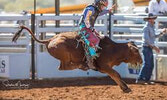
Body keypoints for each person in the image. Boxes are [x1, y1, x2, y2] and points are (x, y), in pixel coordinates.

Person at [78, 0, 116, 69]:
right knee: (95, 39)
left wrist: (108, 10)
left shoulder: (95, 9)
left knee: (98, 37)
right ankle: (89, 58)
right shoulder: (90, 9)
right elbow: (86, 20)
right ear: (98, 4)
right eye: (103, 6)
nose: (103, 8)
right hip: (84, 27)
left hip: (88, 27)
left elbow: (100, 13)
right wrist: (92, 29)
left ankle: (91, 55)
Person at [136, 13, 167, 84]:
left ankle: (146, 79)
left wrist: (161, 33)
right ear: (150, 19)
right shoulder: (146, 28)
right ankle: (140, 78)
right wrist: (154, 47)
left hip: (148, 48)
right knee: (147, 64)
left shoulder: (151, 27)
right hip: (146, 47)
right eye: (153, 18)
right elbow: (147, 39)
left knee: (150, 64)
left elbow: (153, 36)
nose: (154, 20)